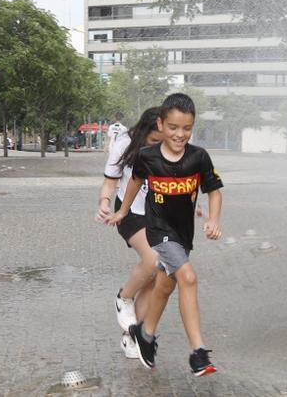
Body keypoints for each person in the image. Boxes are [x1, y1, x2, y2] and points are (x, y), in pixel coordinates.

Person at [109, 93, 224, 376]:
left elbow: (214, 191)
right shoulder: (147, 157)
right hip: (158, 231)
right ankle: (198, 352)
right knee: (188, 278)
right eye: (173, 127)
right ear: (161, 124)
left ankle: (144, 335)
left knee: (165, 285)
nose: (179, 134)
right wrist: (122, 211)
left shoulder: (199, 157)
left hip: (183, 233)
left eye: (186, 128)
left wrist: (213, 218)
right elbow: (135, 182)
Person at [97, 107, 164, 360]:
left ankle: (135, 334)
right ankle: (124, 297)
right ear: (144, 132)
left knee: (160, 277)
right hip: (129, 213)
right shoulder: (124, 143)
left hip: (159, 216)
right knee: (154, 260)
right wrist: (104, 202)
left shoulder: (172, 145)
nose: (159, 146)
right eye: (154, 141)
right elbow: (109, 182)